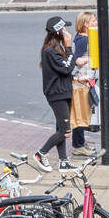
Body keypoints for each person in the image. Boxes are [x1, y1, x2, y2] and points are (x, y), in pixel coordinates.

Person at [32, 17, 77, 174]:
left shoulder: (57, 48)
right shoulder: (50, 51)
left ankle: (63, 161)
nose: (68, 32)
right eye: (65, 29)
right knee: (65, 131)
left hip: (63, 92)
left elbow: (65, 70)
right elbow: (66, 68)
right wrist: (69, 47)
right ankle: (41, 153)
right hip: (57, 94)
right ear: (58, 32)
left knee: (60, 127)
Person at [70, 10, 96, 157]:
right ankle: (78, 145)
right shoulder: (82, 40)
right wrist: (86, 60)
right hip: (80, 82)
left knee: (83, 113)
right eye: (93, 20)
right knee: (80, 114)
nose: (96, 22)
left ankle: (80, 143)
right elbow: (75, 60)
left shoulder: (85, 37)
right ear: (86, 24)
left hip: (85, 80)